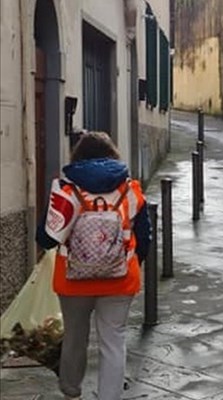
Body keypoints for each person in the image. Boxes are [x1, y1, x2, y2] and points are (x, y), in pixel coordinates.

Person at [36, 131, 151, 400]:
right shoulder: (129, 188)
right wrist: (133, 262)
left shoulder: (66, 189)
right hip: (120, 280)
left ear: (78, 155)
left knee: (75, 338)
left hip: (72, 281)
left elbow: (45, 238)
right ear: (112, 154)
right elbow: (144, 236)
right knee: (113, 341)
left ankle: (71, 391)